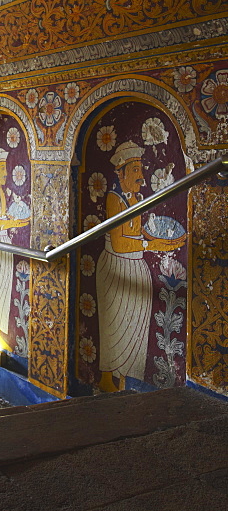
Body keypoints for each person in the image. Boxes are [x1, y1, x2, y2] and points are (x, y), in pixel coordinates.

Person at [96, 141, 185, 391]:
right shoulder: (115, 199)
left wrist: (165, 239)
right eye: (135, 170)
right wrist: (154, 245)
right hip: (117, 268)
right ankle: (106, 379)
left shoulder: (134, 198)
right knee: (114, 329)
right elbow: (120, 243)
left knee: (134, 332)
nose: (141, 176)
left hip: (136, 267)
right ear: (121, 173)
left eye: (140, 169)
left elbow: (136, 233)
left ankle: (124, 381)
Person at [0, 148, 30, 346]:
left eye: (6, 169)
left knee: (2, 290)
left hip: (2, 241)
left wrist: (12, 219)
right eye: (2, 169)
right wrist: (14, 223)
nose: (6, 173)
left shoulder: (0, 191)